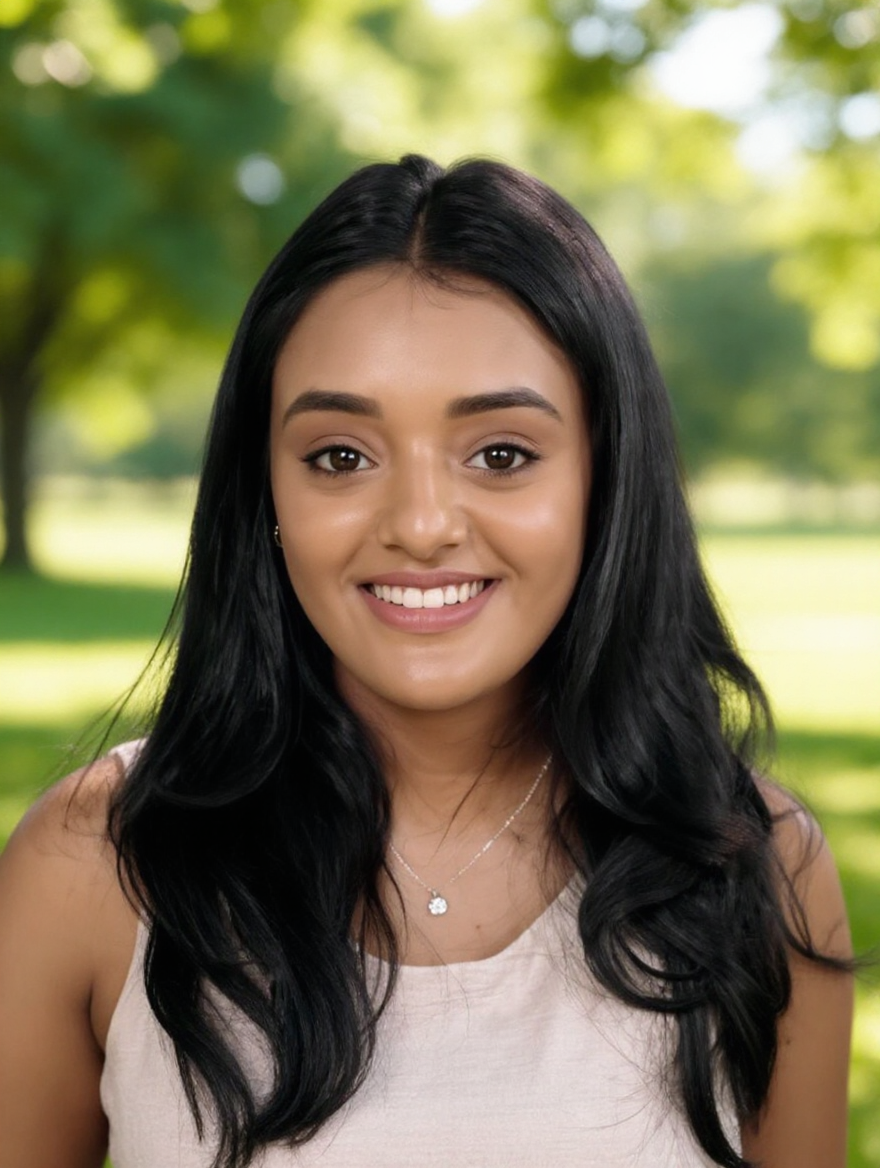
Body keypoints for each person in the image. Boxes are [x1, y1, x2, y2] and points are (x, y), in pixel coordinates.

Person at [0, 155, 853, 1168]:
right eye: (339, 456)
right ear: (263, 494)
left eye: (500, 453)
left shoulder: (756, 867)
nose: (418, 525)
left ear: (604, 477)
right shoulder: (97, 863)